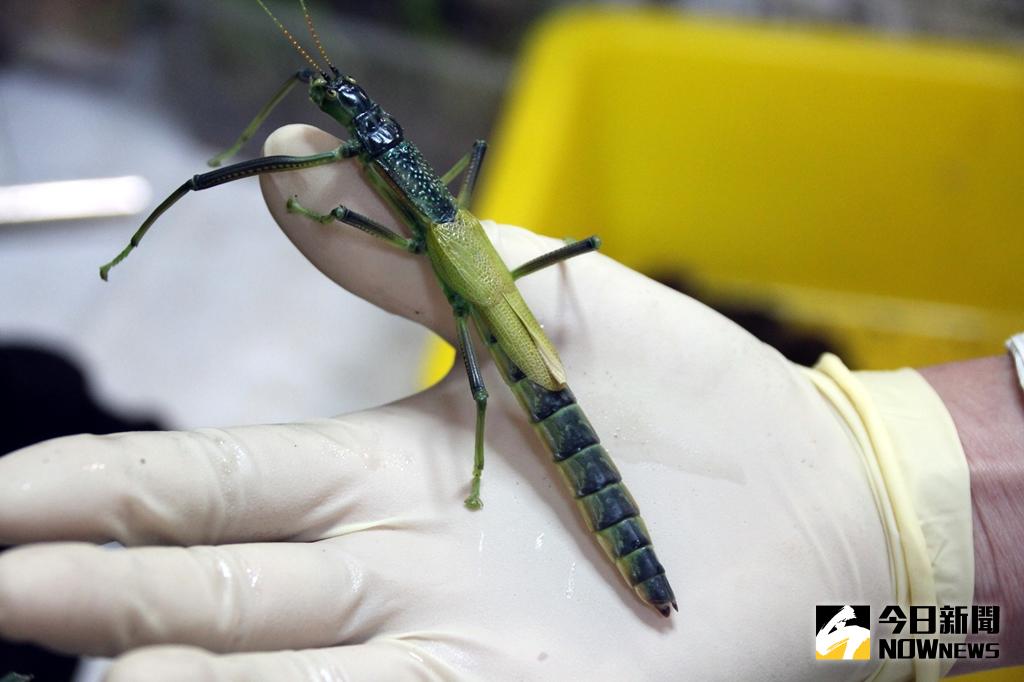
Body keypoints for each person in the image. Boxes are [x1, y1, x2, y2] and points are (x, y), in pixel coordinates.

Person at [0, 125, 1020, 681]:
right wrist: (931, 571)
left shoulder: (864, 615)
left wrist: (906, 550)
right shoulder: (881, 622)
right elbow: (892, 625)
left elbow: (887, 621)